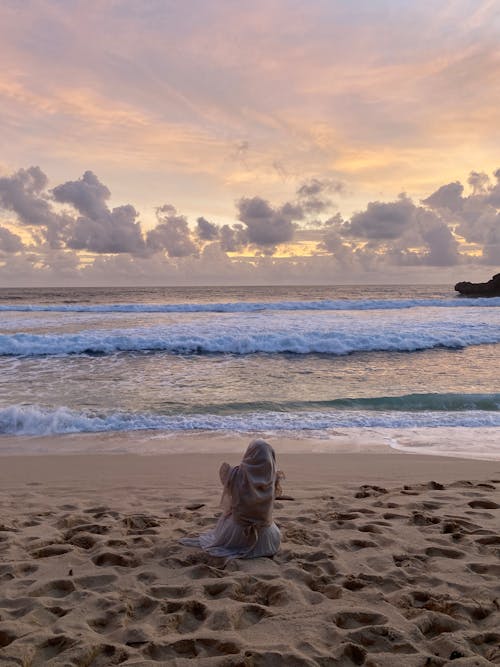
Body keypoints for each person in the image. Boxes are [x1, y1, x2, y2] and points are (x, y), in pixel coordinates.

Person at [180, 439, 283, 559]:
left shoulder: (234, 473)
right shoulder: (274, 477)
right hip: (266, 535)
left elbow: (226, 481)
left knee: (228, 522)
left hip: (237, 533)